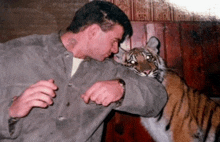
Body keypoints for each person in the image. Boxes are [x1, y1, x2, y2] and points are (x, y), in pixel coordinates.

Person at [0, 1, 167, 141]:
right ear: (93, 32)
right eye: (114, 41)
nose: (116, 49)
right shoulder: (15, 54)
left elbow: (157, 97)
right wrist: (11, 111)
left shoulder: (110, 71)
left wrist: (122, 90)